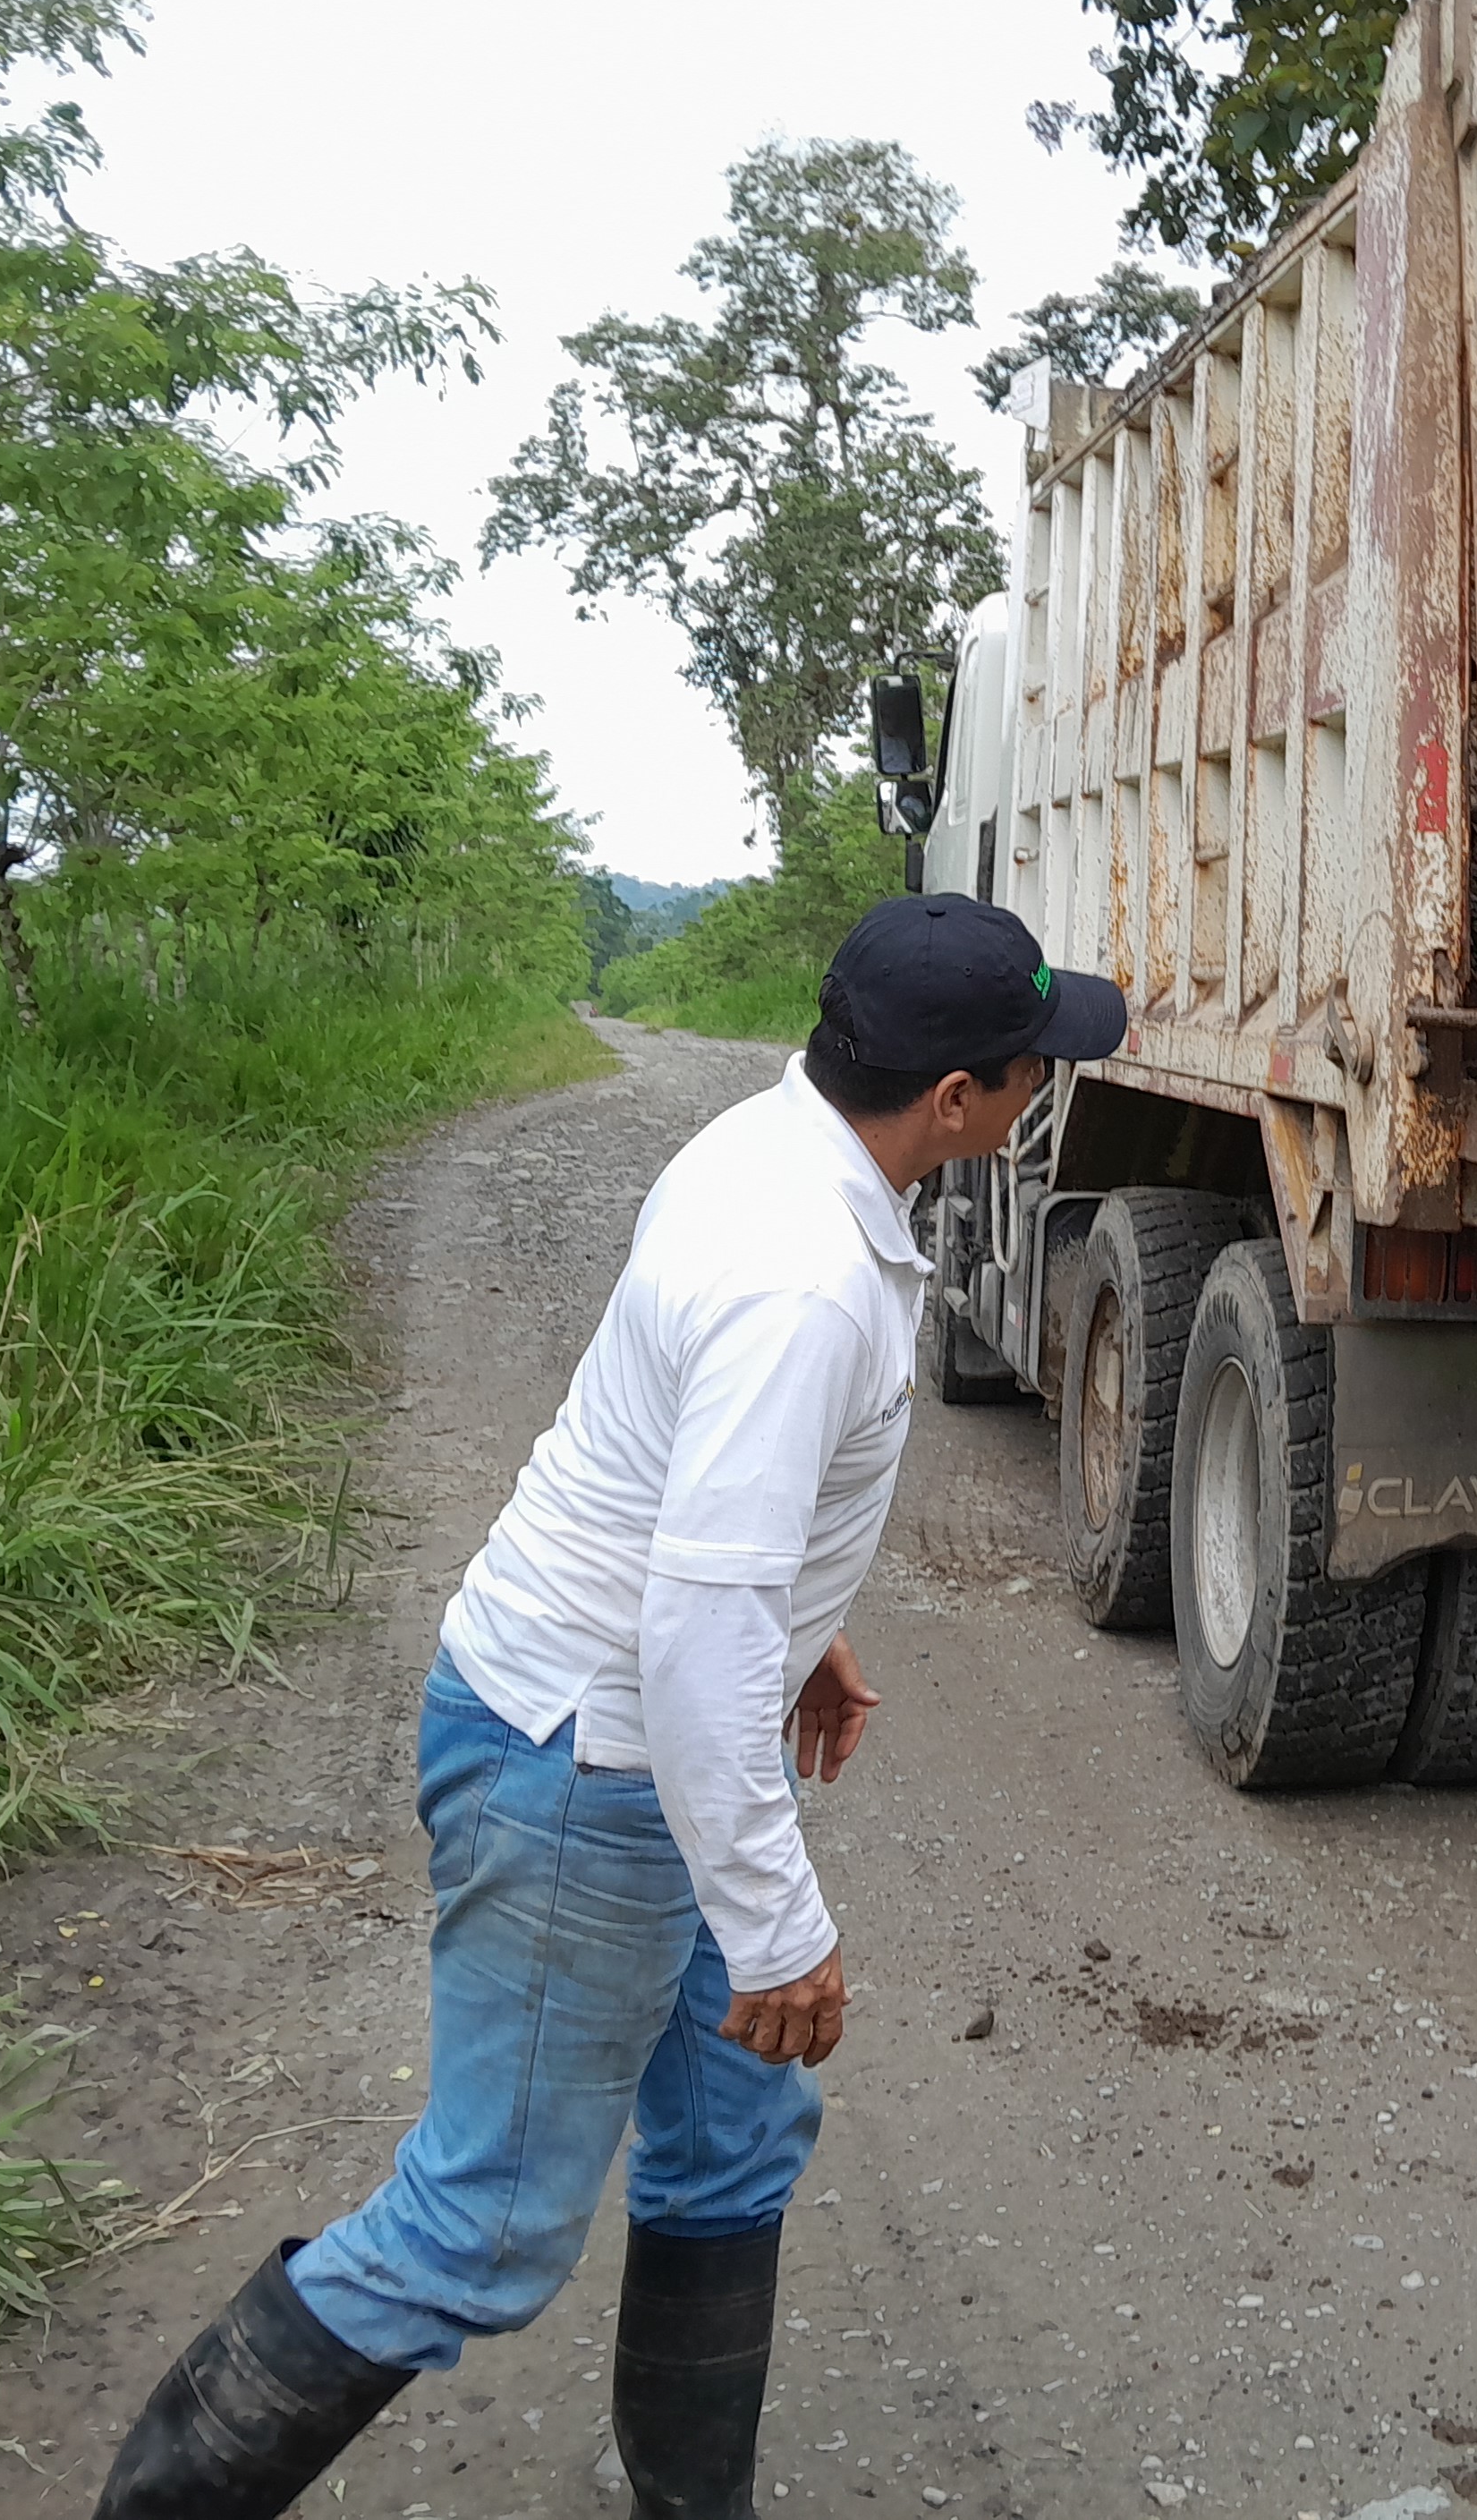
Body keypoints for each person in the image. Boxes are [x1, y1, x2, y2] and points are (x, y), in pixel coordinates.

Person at [90, 896, 1127, 2520]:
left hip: (632, 1722)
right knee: (483, 2225)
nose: (1041, 1089)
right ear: (954, 1101)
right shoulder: (803, 1280)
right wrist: (779, 1925)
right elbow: (698, 1631)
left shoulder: (770, 1147)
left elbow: (691, 1498)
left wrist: (803, 1628)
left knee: (735, 2132)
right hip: (586, 1767)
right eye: (1029, 1068)